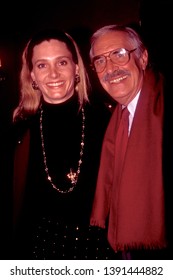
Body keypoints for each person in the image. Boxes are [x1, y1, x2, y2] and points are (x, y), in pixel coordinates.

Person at [11, 28, 120, 260]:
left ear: (76, 68)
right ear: (31, 76)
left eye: (62, 62)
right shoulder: (19, 131)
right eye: (42, 65)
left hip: (99, 252)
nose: (53, 74)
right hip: (39, 252)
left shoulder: (108, 121)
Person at [89, 24, 173, 260]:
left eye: (119, 54)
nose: (110, 68)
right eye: (100, 61)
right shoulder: (113, 121)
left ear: (143, 57)